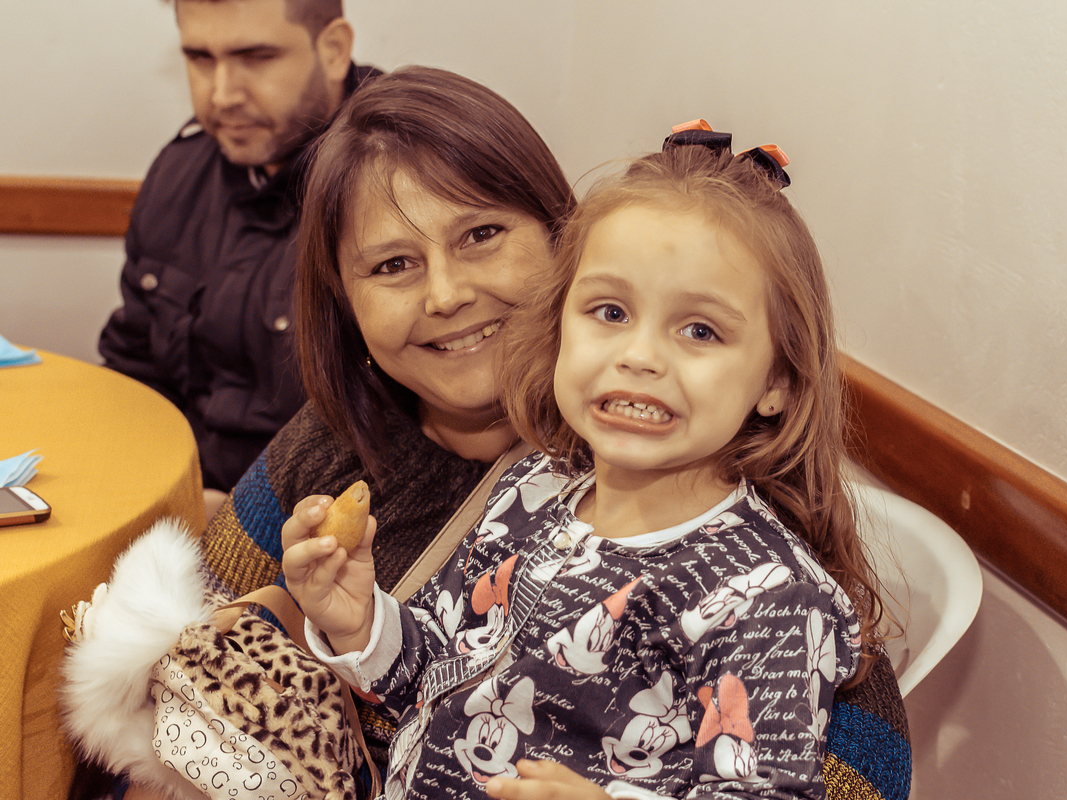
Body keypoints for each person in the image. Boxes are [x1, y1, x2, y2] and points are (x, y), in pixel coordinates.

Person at [282, 126, 897, 799]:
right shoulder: (533, 486)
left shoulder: (767, 598)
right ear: (558, 326)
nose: (639, 356)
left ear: (777, 380)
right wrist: (360, 622)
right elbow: (437, 666)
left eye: (700, 330)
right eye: (610, 311)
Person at [97, 0, 378, 514]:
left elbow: (423, 439)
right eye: (201, 58)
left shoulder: (401, 183)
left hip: (325, 534)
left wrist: (237, 523)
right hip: (174, 502)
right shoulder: (179, 173)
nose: (222, 94)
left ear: (334, 50)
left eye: (256, 57)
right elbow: (133, 370)